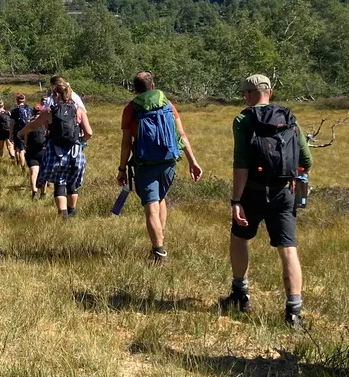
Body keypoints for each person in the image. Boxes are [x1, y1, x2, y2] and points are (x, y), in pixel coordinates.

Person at [219, 74, 313, 327]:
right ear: (269, 93)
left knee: (239, 238)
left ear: (249, 95)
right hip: (284, 191)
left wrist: (236, 200)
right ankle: (293, 311)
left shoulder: (243, 119)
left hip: (252, 191)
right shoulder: (289, 118)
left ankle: (241, 295)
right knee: (288, 249)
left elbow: (241, 164)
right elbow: (307, 160)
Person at [118, 71, 203, 263]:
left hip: (145, 163)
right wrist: (193, 161)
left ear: (135, 89)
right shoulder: (167, 103)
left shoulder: (131, 109)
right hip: (168, 161)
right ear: (153, 86)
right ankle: (159, 242)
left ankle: (158, 251)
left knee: (151, 207)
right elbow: (182, 135)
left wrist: (122, 168)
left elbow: (125, 143)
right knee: (161, 198)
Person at [19, 79, 93, 216]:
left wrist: (21, 132)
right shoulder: (79, 110)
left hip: (56, 151)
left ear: (55, 95)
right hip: (75, 152)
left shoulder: (50, 111)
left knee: (60, 183)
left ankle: (63, 215)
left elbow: (34, 125)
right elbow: (89, 133)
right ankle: (71, 214)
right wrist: (80, 141)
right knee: (72, 184)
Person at [24, 97, 50, 199]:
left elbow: (25, 137)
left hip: (31, 150)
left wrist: (26, 146)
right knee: (43, 173)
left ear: (33, 111)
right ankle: (43, 193)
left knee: (33, 172)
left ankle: (34, 191)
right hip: (43, 150)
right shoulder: (46, 123)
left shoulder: (29, 123)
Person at [9, 94, 33, 170]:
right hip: (28, 130)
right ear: (24, 100)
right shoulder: (29, 109)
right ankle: (23, 165)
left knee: (18, 149)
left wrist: (10, 134)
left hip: (18, 131)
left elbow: (12, 123)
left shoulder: (15, 110)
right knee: (24, 148)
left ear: (17, 100)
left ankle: (21, 166)